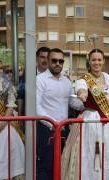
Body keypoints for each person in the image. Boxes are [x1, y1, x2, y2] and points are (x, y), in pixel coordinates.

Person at [61, 48, 109, 180]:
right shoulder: (83, 79)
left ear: (103, 61)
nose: (96, 62)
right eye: (93, 60)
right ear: (89, 61)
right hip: (89, 122)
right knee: (89, 155)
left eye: (99, 60)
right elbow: (81, 89)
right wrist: (82, 94)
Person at [36, 48, 83, 180]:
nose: (58, 63)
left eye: (61, 61)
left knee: (62, 164)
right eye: (54, 60)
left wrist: (87, 104)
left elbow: (72, 102)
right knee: (45, 166)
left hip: (63, 130)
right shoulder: (39, 80)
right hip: (46, 130)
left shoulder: (67, 82)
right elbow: (36, 107)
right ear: (48, 61)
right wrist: (53, 124)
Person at [0, 58, 25, 180]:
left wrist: (3, 124)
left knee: (11, 155)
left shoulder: (7, 85)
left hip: (4, 124)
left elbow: (10, 105)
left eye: (0, 68)